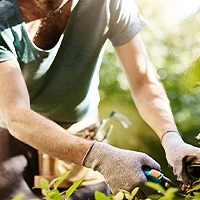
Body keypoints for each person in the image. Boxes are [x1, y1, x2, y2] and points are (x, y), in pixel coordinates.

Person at [0, 0, 200, 199]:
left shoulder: (108, 3)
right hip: (12, 142)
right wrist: (101, 157)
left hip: (84, 137)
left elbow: (143, 81)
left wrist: (171, 138)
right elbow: (17, 114)